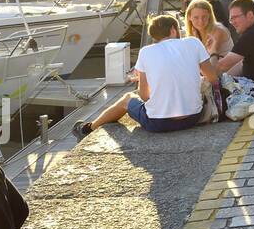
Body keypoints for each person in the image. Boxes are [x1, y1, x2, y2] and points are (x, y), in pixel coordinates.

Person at [75, 14, 211, 137]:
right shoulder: (193, 42)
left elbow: (145, 95)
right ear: (173, 30)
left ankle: (88, 128)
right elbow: (213, 77)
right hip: (194, 117)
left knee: (127, 98)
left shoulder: (146, 52)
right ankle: (89, 128)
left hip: (159, 123)